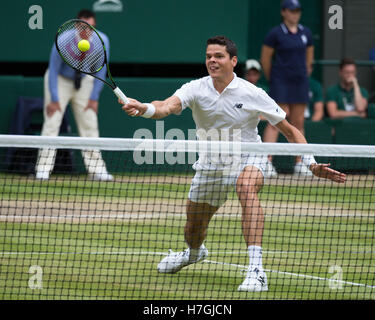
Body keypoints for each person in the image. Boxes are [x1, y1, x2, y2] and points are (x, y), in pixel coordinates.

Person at [118, 35, 346, 292]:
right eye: (208, 56)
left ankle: (256, 271)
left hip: (249, 156)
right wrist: (145, 108)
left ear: (233, 61)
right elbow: (166, 106)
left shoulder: (252, 93)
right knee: (194, 227)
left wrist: (311, 163)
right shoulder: (195, 88)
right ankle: (193, 253)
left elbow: (289, 129)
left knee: (245, 187)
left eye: (219, 56)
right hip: (212, 164)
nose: (212, 61)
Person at [35, 9, 113, 181]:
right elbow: (53, 69)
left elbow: (100, 72)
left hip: (85, 81)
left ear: (94, 27)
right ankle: (43, 170)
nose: (86, 31)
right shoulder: (63, 39)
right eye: (83, 26)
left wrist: (94, 97)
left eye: (90, 27)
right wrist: (54, 99)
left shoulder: (102, 41)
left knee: (89, 124)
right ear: (77, 25)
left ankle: (97, 170)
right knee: (52, 122)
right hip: (60, 80)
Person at [260, 0, 314, 177]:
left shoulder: (306, 33)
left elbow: (309, 59)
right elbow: (266, 60)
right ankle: (267, 163)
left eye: (297, 10)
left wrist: (303, 74)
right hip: (280, 82)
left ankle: (300, 163)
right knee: (275, 121)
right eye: (292, 10)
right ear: (284, 12)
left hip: (300, 83)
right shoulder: (275, 33)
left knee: (298, 123)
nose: (295, 13)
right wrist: (274, 79)